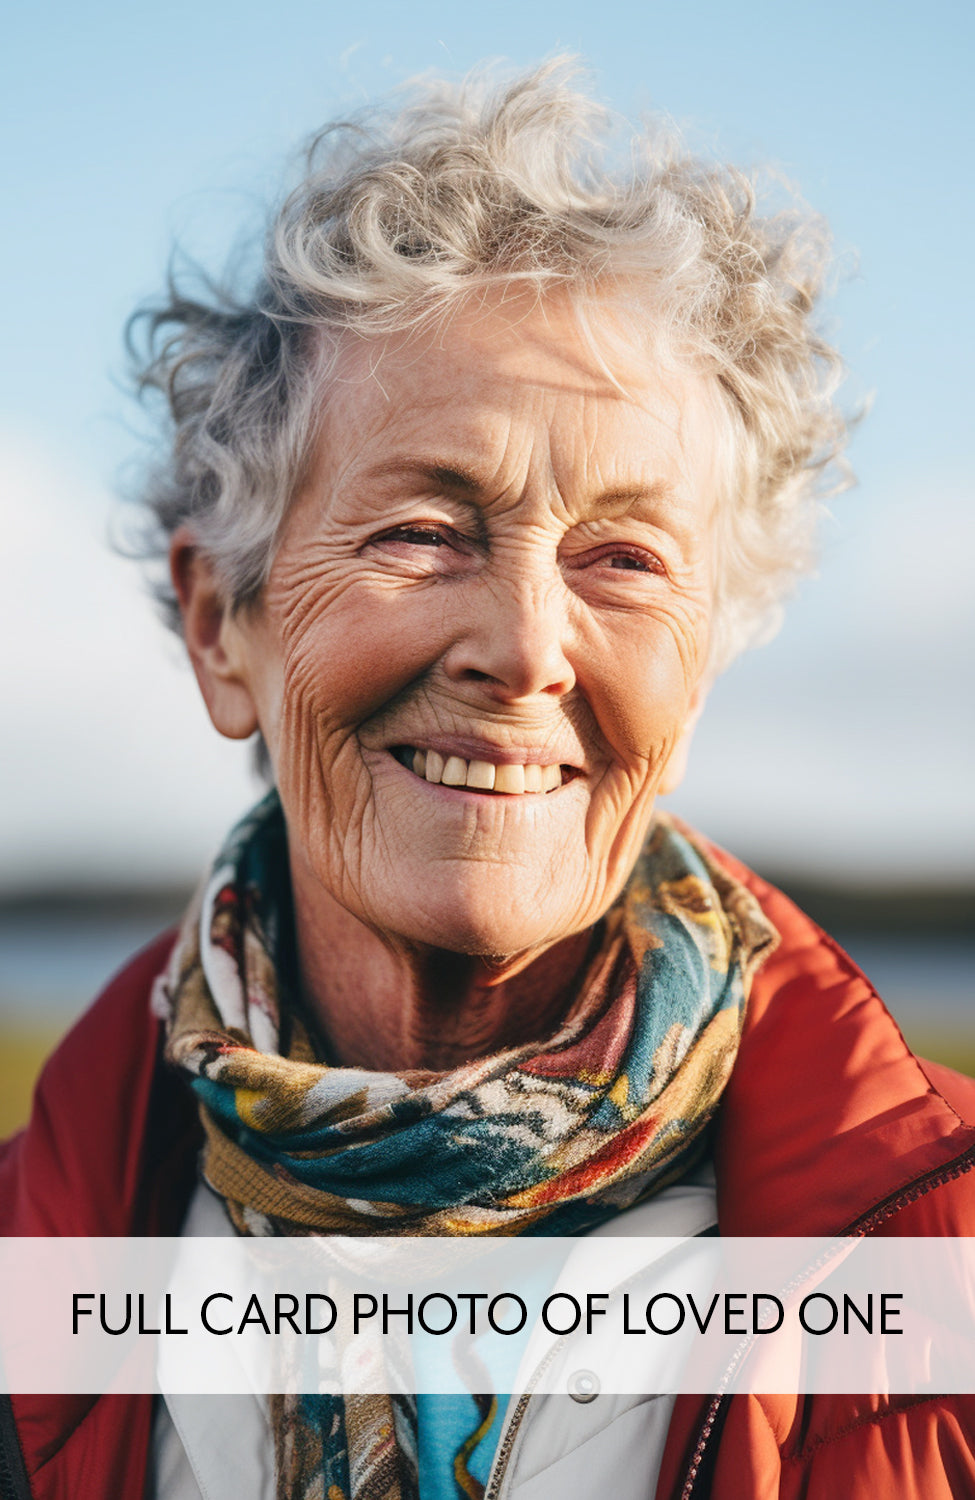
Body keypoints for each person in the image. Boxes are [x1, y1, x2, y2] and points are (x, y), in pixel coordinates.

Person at [1, 59, 973, 1500]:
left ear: (701, 664)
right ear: (222, 625)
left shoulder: (938, 1266)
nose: (526, 649)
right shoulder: (42, 1260)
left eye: (624, 560)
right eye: (421, 530)